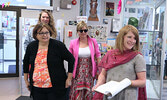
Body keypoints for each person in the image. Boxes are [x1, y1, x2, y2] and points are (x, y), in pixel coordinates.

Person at [92, 25, 146, 100]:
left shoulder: (137, 57)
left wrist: (127, 82)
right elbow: (103, 74)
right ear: (122, 37)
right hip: (110, 95)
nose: (132, 41)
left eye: (135, 38)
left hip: (127, 96)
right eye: (129, 37)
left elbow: (142, 82)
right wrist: (98, 84)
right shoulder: (110, 54)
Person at [23, 23, 75, 100]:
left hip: (56, 87)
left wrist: (69, 78)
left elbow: (71, 59)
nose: (44, 35)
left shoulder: (58, 45)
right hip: (37, 87)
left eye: (46, 32)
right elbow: (26, 62)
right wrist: (26, 80)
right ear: (36, 35)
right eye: (41, 33)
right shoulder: (31, 46)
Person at [69, 21, 101, 100]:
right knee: (76, 92)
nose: (83, 32)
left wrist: (99, 71)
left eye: (85, 30)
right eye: (81, 31)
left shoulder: (93, 41)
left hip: (89, 71)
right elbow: (69, 58)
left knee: (89, 92)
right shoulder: (73, 42)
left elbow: (98, 56)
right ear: (77, 32)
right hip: (77, 71)